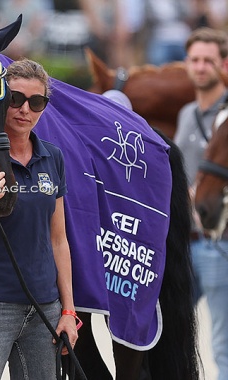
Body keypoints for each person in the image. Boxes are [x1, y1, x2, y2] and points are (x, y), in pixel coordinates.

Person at [0, 58, 79, 379]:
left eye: (36, 102)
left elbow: (58, 239)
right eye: (16, 99)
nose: (25, 109)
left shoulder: (53, 157)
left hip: (44, 312)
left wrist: (67, 310)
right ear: (0, 100)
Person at [174, 26, 228, 380]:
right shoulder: (185, 113)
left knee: (221, 342)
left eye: (209, 60)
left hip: (219, 242)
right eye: (195, 59)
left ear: (223, 64)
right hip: (186, 240)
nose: (201, 66)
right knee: (175, 330)